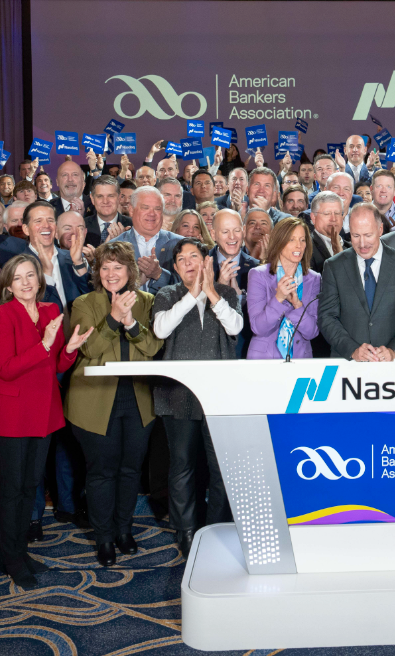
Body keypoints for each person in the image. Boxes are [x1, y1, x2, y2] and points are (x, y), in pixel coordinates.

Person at [0, 254, 91, 588]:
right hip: (10, 417)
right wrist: (44, 343)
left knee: (31, 487)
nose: (26, 283)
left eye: (31, 276)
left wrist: (69, 348)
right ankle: (11, 556)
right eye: (18, 278)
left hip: (43, 413)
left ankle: (21, 550)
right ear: (8, 285)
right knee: (12, 488)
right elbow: (6, 368)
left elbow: (57, 365)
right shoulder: (1, 315)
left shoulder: (50, 312)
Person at [66, 242, 162, 565]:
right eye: (104, 268)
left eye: (117, 267)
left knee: (130, 469)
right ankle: (104, 537)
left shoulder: (147, 301)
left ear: (130, 271)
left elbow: (151, 347)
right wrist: (112, 318)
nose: (110, 274)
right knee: (101, 472)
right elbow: (88, 350)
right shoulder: (83, 303)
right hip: (94, 401)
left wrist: (130, 323)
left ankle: (124, 530)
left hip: (138, 400)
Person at [151, 239, 241, 556]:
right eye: (182, 259)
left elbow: (236, 326)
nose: (189, 263)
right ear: (174, 267)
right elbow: (161, 330)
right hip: (178, 395)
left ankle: (216, 527)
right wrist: (192, 294)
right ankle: (186, 530)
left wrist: (212, 292)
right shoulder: (166, 295)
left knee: (220, 468)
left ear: (206, 261)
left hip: (219, 396)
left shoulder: (227, 294)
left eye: (196, 257)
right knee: (182, 466)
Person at [317, 202, 395, 361]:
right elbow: (327, 317)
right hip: (348, 365)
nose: (362, 244)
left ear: (380, 230)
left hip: (392, 365)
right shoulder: (334, 266)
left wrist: (394, 350)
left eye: (368, 235)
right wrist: (352, 350)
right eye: (356, 236)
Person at [247, 218, 322, 359]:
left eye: (302, 240)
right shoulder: (258, 275)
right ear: (279, 242)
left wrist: (297, 305)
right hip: (264, 360)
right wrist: (278, 298)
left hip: (301, 360)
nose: (298, 246)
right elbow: (258, 328)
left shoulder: (314, 278)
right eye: (291, 240)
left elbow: (312, 332)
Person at [117, 186, 180, 292]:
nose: (152, 214)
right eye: (145, 208)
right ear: (131, 210)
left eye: (157, 209)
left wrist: (159, 274)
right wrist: (135, 284)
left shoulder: (181, 244)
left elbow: (191, 286)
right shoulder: (114, 246)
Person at [84, 176, 131, 247]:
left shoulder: (132, 226)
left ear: (119, 197)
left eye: (110, 196)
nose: (105, 201)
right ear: (92, 199)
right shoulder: (82, 226)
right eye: (100, 196)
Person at [307, 191, 346, 272]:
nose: (333, 219)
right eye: (327, 213)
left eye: (337, 213)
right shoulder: (305, 247)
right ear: (313, 218)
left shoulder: (352, 248)